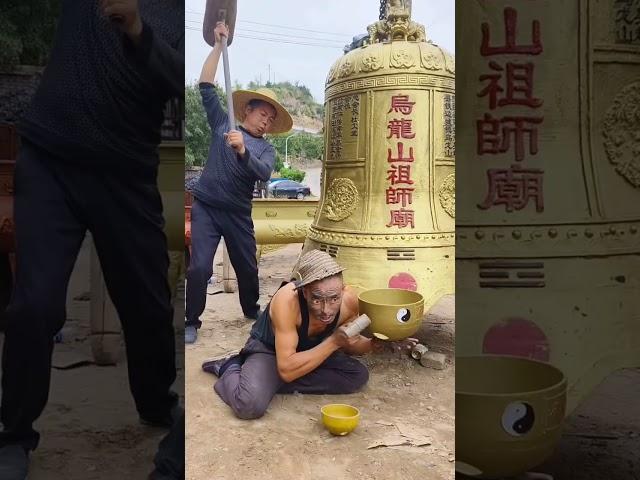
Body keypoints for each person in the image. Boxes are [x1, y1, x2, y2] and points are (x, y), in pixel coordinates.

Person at [0, 1, 184, 478]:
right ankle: (15, 435)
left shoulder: (178, 12)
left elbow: (174, 79)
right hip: (50, 160)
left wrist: (138, 27)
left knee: (148, 306)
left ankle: (155, 402)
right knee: (33, 306)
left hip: (125, 174)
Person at [202, 249, 418, 420]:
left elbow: (350, 343)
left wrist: (374, 344)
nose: (326, 310)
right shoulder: (286, 300)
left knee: (356, 376)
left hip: (309, 351)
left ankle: (264, 382)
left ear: (343, 290)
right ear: (304, 291)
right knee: (249, 405)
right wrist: (333, 342)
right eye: (316, 299)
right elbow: (287, 370)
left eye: (333, 298)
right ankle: (229, 367)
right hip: (270, 350)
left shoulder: (350, 302)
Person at [184, 22, 293, 344]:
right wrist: (219, 45)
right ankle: (191, 320)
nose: (266, 121)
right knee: (199, 269)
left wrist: (243, 150)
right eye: (263, 114)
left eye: (271, 120)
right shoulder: (223, 123)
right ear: (248, 110)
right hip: (206, 207)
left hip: (238, 213)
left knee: (248, 269)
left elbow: (264, 173)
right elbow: (205, 85)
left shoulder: (265, 147)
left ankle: (250, 309)